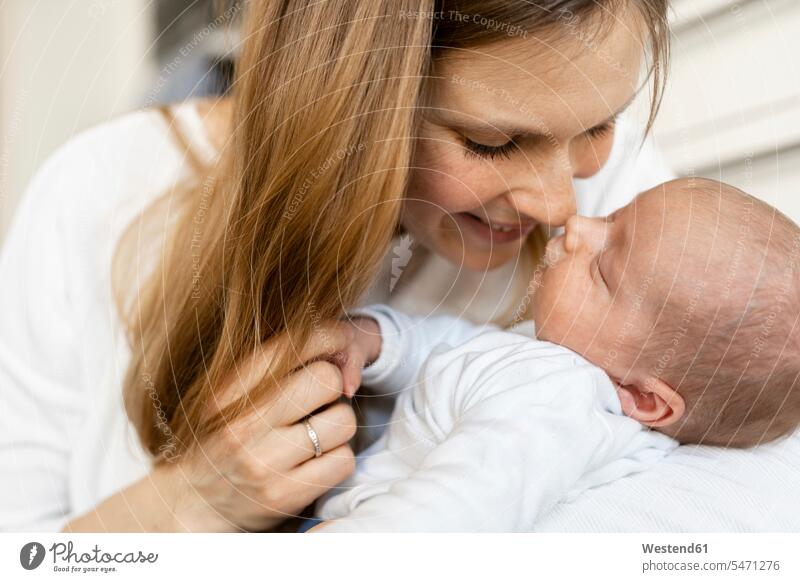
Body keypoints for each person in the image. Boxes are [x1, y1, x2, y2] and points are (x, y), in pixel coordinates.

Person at [2, 0, 797, 533]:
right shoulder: (98, 194)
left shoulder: (631, 214)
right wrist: (183, 504)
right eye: (492, 142)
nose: (563, 206)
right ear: (342, 102)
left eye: (602, 124)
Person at [312, 179, 800, 531]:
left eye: (602, 269)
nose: (579, 226)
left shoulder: (554, 401)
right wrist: (378, 339)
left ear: (642, 397)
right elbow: (458, 351)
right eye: (612, 218)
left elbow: (462, 504)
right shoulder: (560, 357)